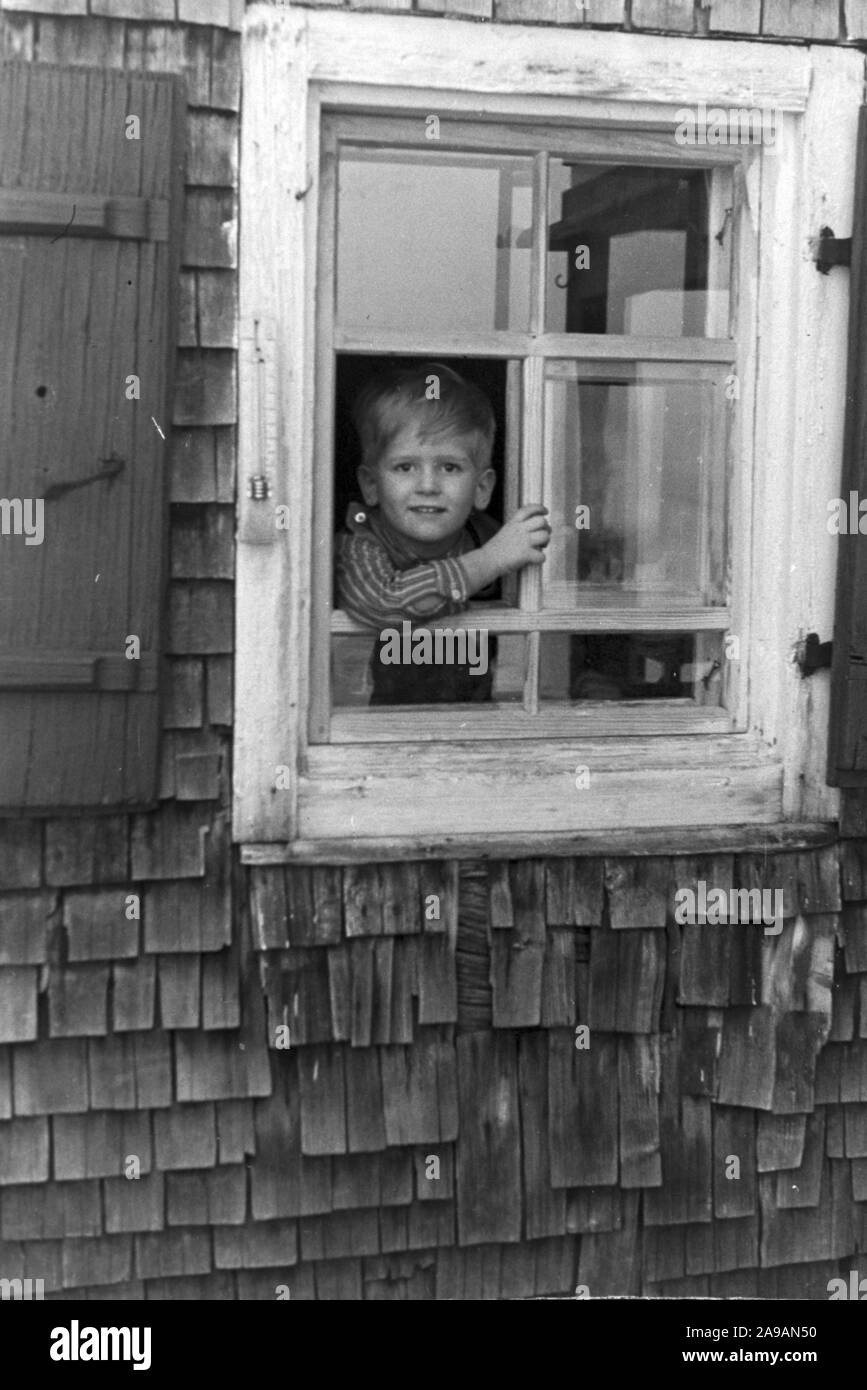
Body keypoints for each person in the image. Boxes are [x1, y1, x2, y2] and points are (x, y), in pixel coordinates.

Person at [335, 362, 551, 704]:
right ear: (371, 485)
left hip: (475, 718)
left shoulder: (490, 537)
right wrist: (489, 562)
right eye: (405, 467)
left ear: (482, 488)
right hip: (374, 727)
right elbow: (386, 605)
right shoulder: (359, 545)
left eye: (449, 467)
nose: (428, 486)